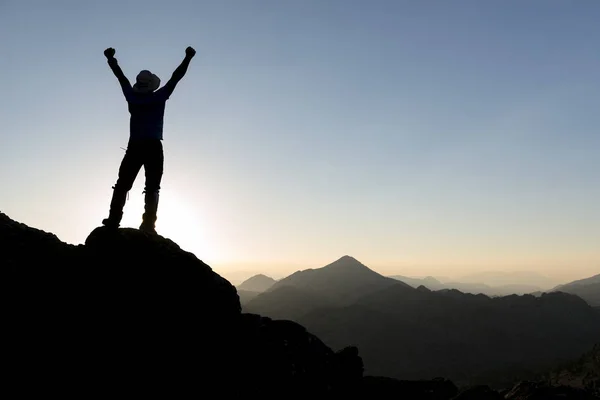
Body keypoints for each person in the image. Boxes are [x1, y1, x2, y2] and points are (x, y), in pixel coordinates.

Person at [101, 46, 196, 234]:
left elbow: (121, 77)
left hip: (134, 146)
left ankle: (113, 220)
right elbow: (176, 77)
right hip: (153, 146)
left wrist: (111, 59)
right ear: (152, 84)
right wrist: (188, 58)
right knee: (152, 187)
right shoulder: (159, 97)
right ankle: (148, 225)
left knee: (122, 184)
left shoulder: (131, 97)